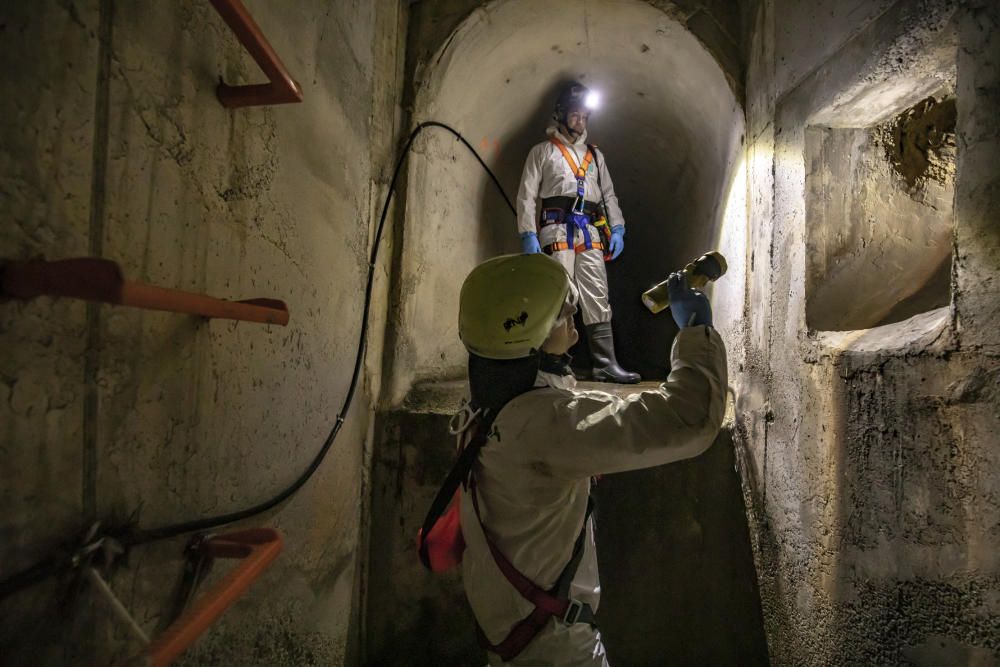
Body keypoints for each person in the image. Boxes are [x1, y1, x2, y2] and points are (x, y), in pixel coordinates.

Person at [454, 253, 727, 665]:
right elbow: (690, 419)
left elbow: (557, 396)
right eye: (565, 319)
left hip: (510, 641)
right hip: (558, 651)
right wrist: (696, 332)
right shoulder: (548, 428)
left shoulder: (481, 411)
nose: (576, 334)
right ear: (531, 336)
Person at [516, 81, 640, 384]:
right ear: (560, 114)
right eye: (575, 115)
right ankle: (554, 361)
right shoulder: (542, 152)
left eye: (584, 116)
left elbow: (608, 195)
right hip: (556, 230)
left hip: (590, 232)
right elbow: (527, 195)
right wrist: (528, 234)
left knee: (597, 294)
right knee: (560, 295)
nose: (580, 121)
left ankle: (605, 364)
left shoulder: (596, 156)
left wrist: (619, 228)